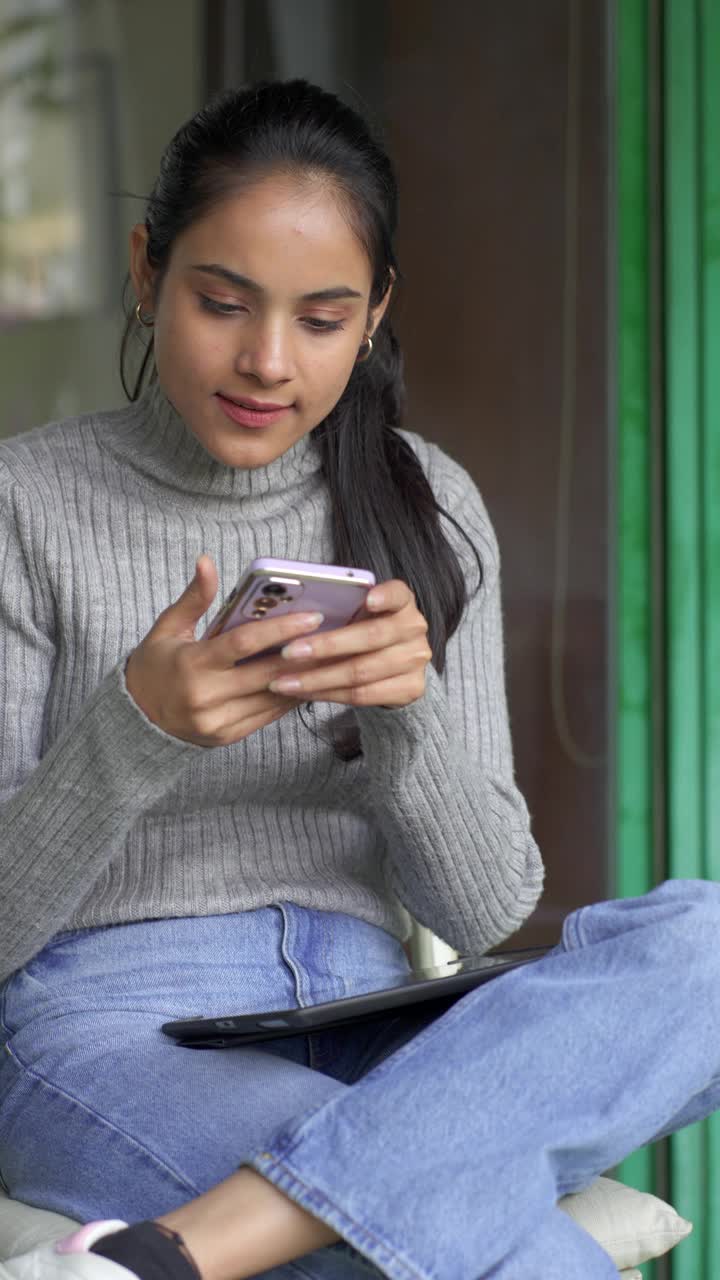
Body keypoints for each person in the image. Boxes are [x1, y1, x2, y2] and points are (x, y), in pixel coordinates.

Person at [1, 78, 719, 1280]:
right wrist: (133, 729)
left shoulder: (426, 504)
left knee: (707, 936)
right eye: (221, 303)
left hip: (378, 1019)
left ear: (378, 312)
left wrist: (406, 717)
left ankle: (167, 1254)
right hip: (107, 1025)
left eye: (323, 319)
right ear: (145, 271)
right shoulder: (23, 508)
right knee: (524, 1259)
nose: (266, 360)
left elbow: (490, 906)